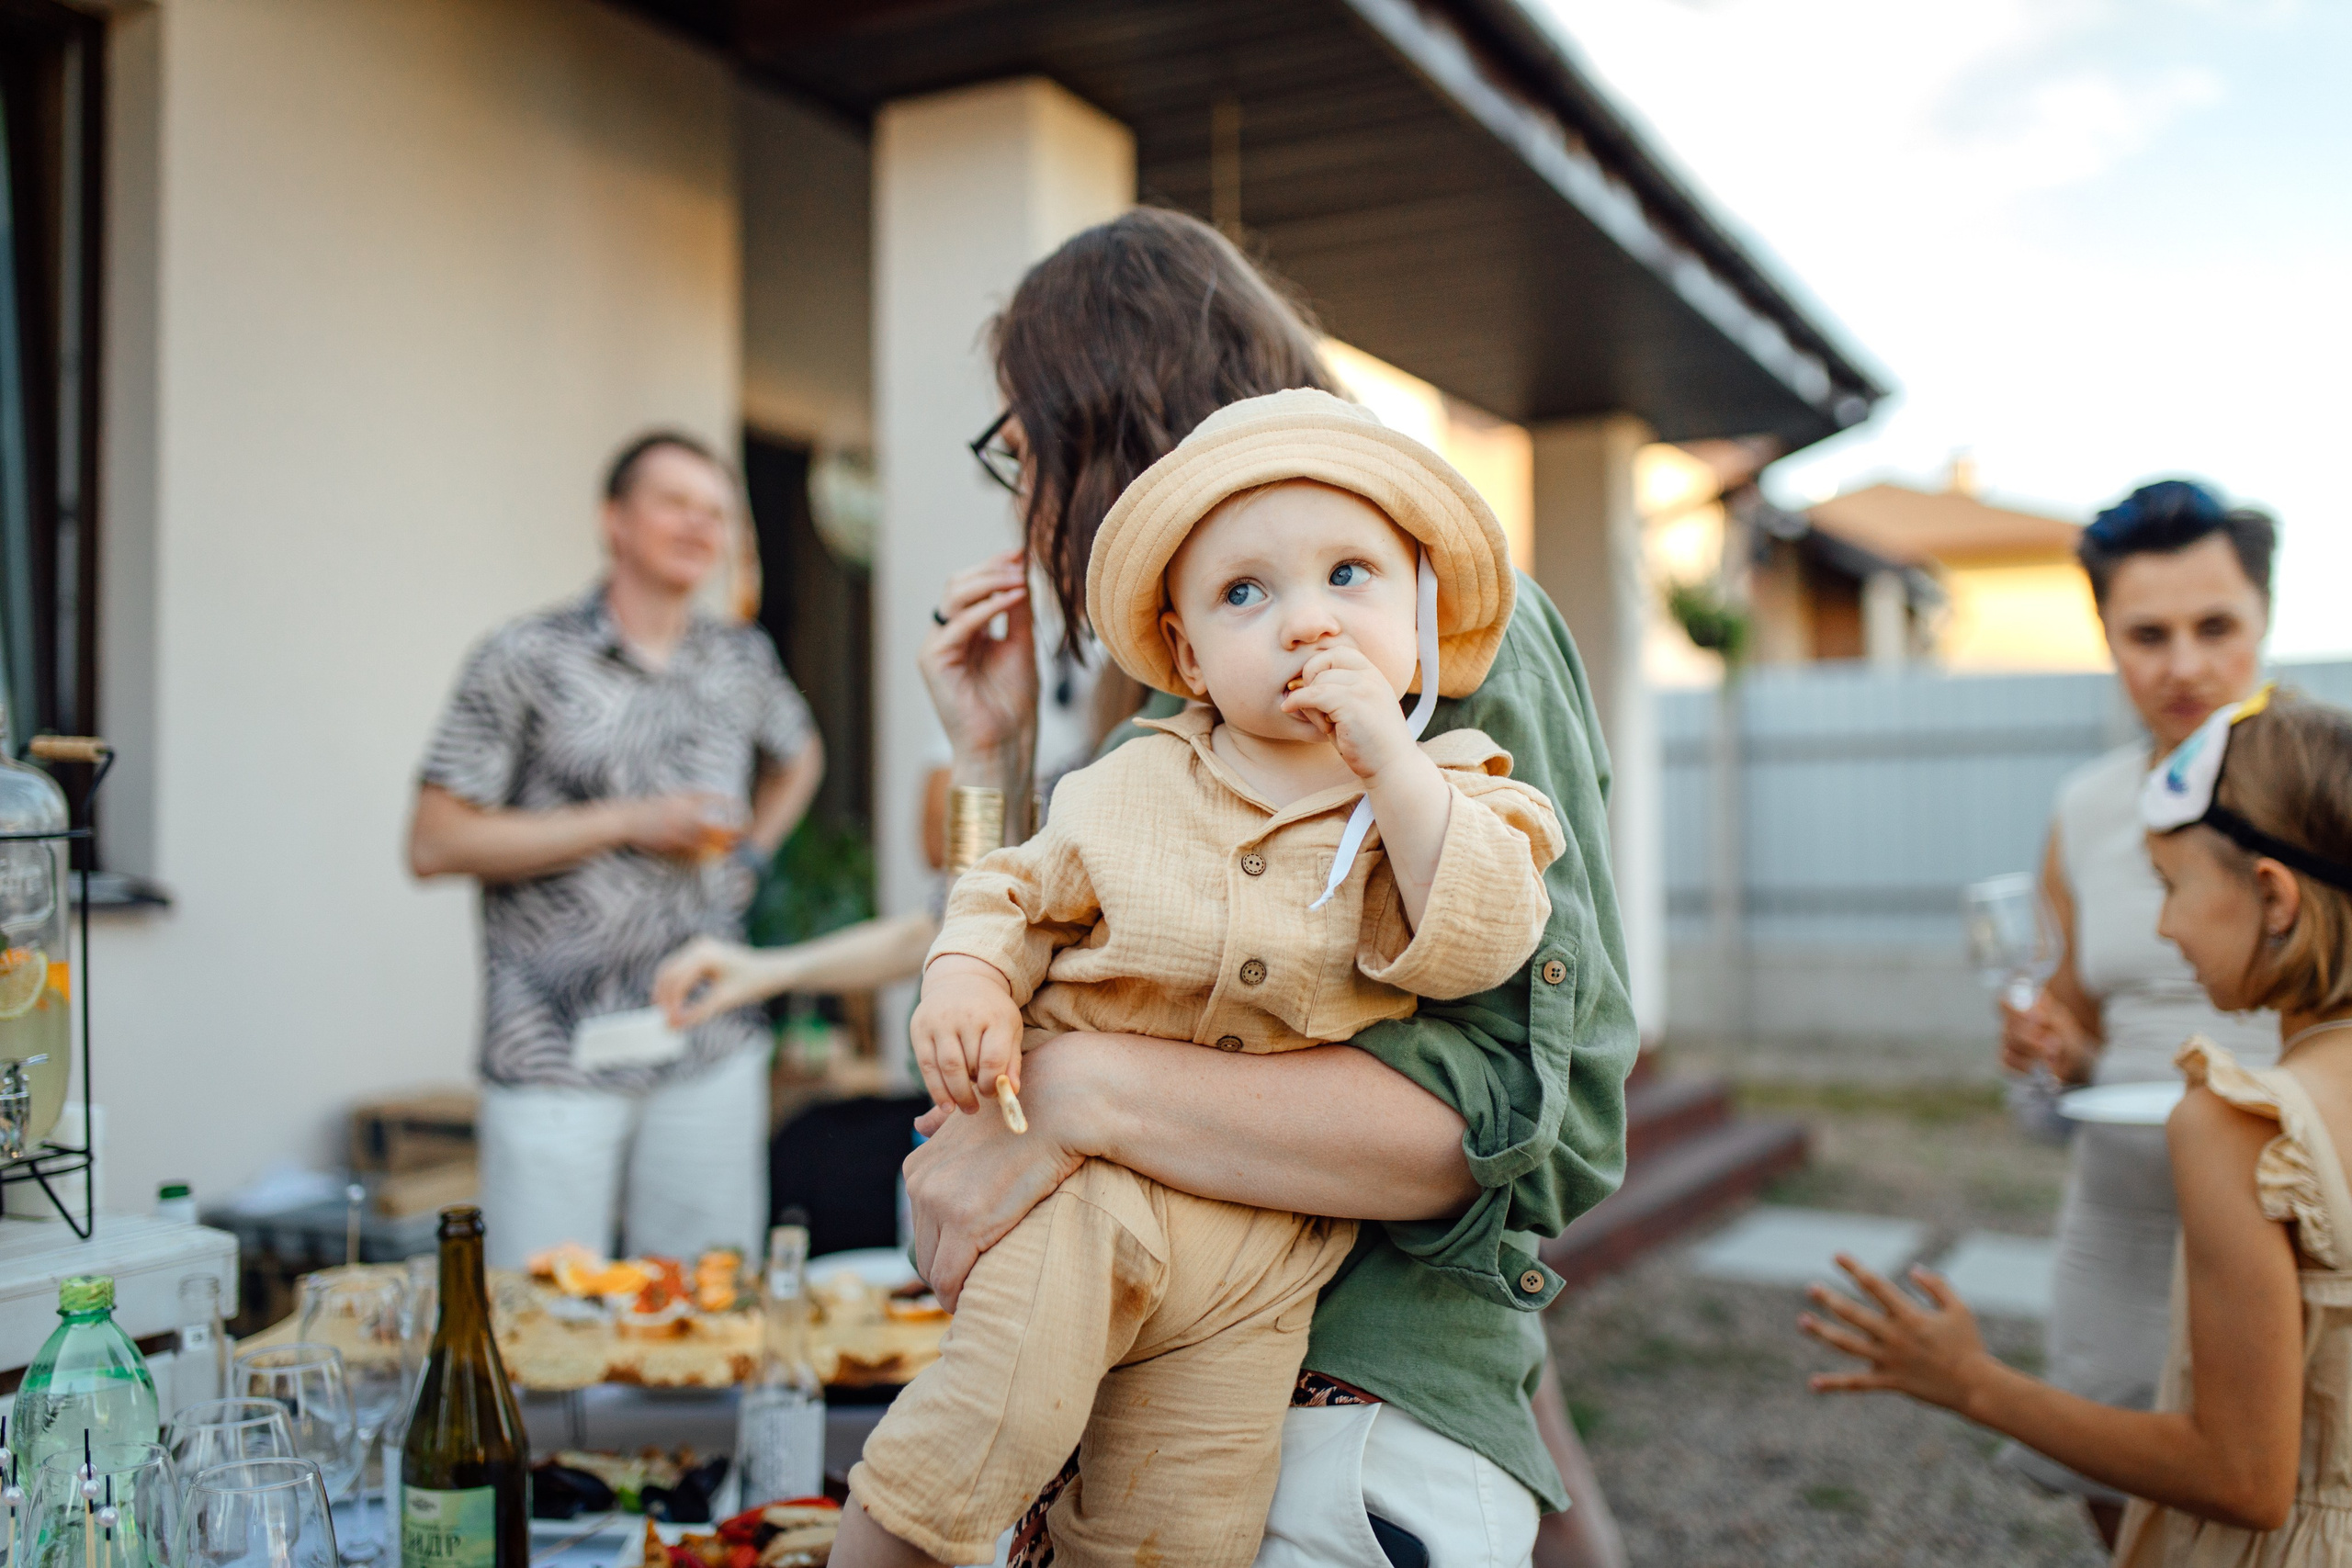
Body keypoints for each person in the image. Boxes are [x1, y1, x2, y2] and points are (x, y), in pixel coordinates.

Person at [664, 209, 1634, 1566]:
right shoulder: (1185, 713)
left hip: (1333, 1412)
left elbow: (1543, 1118)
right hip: (1141, 1390)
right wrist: (987, 761)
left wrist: (1075, 1093)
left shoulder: (1425, 627)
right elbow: (1016, 977)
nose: (1023, 498)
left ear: (1105, 428)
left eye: (1022, 447)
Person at [836, 391, 1564, 1567]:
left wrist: (1393, 767)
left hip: (1273, 1255)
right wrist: (966, 950)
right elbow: (1011, 897)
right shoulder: (1132, 780)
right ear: (1184, 654)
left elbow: (1483, 941)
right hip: (1095, 1200)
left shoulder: (1459, 790)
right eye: (1244, 594)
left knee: (1184, 1526)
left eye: (1350, 578)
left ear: (1424, 631)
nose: (1307, 624)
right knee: (983, 1430)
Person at [1803, 686, 2352, 1567]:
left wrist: (1973, 1382)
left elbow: (2244, 1476)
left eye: (2171, 888)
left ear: (2275, 897)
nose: (2164, 927)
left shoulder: (2235, 1121)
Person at [409, 431, 822, 1269]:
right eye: (675, 501)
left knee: (707, 1316)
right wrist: (628, 821)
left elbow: (800, 755)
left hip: (707, 1043)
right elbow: (432, 839)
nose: (700, 525)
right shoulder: (523, 656)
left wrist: (752, 854)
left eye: (716, 510)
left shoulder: (740, 656)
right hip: (553, 1050)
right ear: (614, 521)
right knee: (551, 1328)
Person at [1995, 479, 2278, 1544]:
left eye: (2215, 627)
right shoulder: (2084, 806)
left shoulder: (2327, 785)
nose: (2184, 665)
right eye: (2146, 634)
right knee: (2117, 1498)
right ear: (2107, 637)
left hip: (2291, 1221)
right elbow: (2068, 1019)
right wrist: (2043, 1045)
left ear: (2263, 619)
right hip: (2119, 1217)